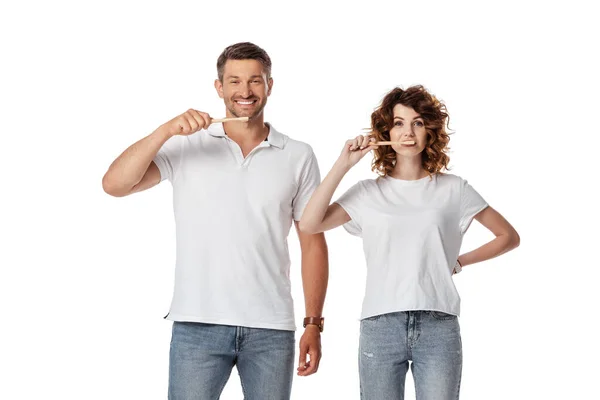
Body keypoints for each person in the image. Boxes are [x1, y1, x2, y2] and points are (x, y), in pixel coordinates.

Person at [102, 42, 328, 400]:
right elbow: (114, 185)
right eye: (234, 81)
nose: (245, 91)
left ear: (269, 85)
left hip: (270, 328)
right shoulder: (187, 145)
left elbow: (312, 241)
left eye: (255, 81)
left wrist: (314, 323)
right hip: (197, 324)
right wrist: (164, 131)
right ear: (219, 87)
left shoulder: (298, 155)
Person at [299, 85, 520, 399]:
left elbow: (508, 237)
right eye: (398, 123)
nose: (407, 132)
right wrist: (343, 164)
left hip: (438, 324)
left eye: (417, 122)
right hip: (380, 325)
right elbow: (309, 224)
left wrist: (459, 261)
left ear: (429, 130)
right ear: (386, 131)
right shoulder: (366, 193)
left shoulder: (454, 189)